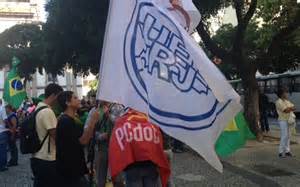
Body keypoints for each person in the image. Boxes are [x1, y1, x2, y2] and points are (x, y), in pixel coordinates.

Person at [56, 91, 100, 187]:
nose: (79, 100)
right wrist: (92, 121)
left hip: (74, 169)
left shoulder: (70, 120)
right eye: (75, 98)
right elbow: (83, 141)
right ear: (67, 103)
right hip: (70, 171)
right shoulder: (65, 121)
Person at [30, 83, 63, 187]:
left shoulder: (39, 108)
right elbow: (55, 135)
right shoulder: (47, 111)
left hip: (37, 155)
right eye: (60, 96)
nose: (59, 100)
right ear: (54, 95)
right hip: (47, 158)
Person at [275, 88, 296, 158]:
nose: (286, 94)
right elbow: (285, 110)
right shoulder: (278, 102)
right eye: (285, 92)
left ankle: (287, 151)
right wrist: (290, 108)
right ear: (281, 94)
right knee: (284, 136)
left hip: (289, 120)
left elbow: (294, 107)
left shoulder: (286, 101)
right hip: (283, 120)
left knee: (288, 136)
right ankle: (280, 152)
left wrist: (289, 108)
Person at [0, 99, 8, 172]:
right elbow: (5, 119)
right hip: (1, 131)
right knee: (2, 149)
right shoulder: (2, 109)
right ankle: (2, 166)